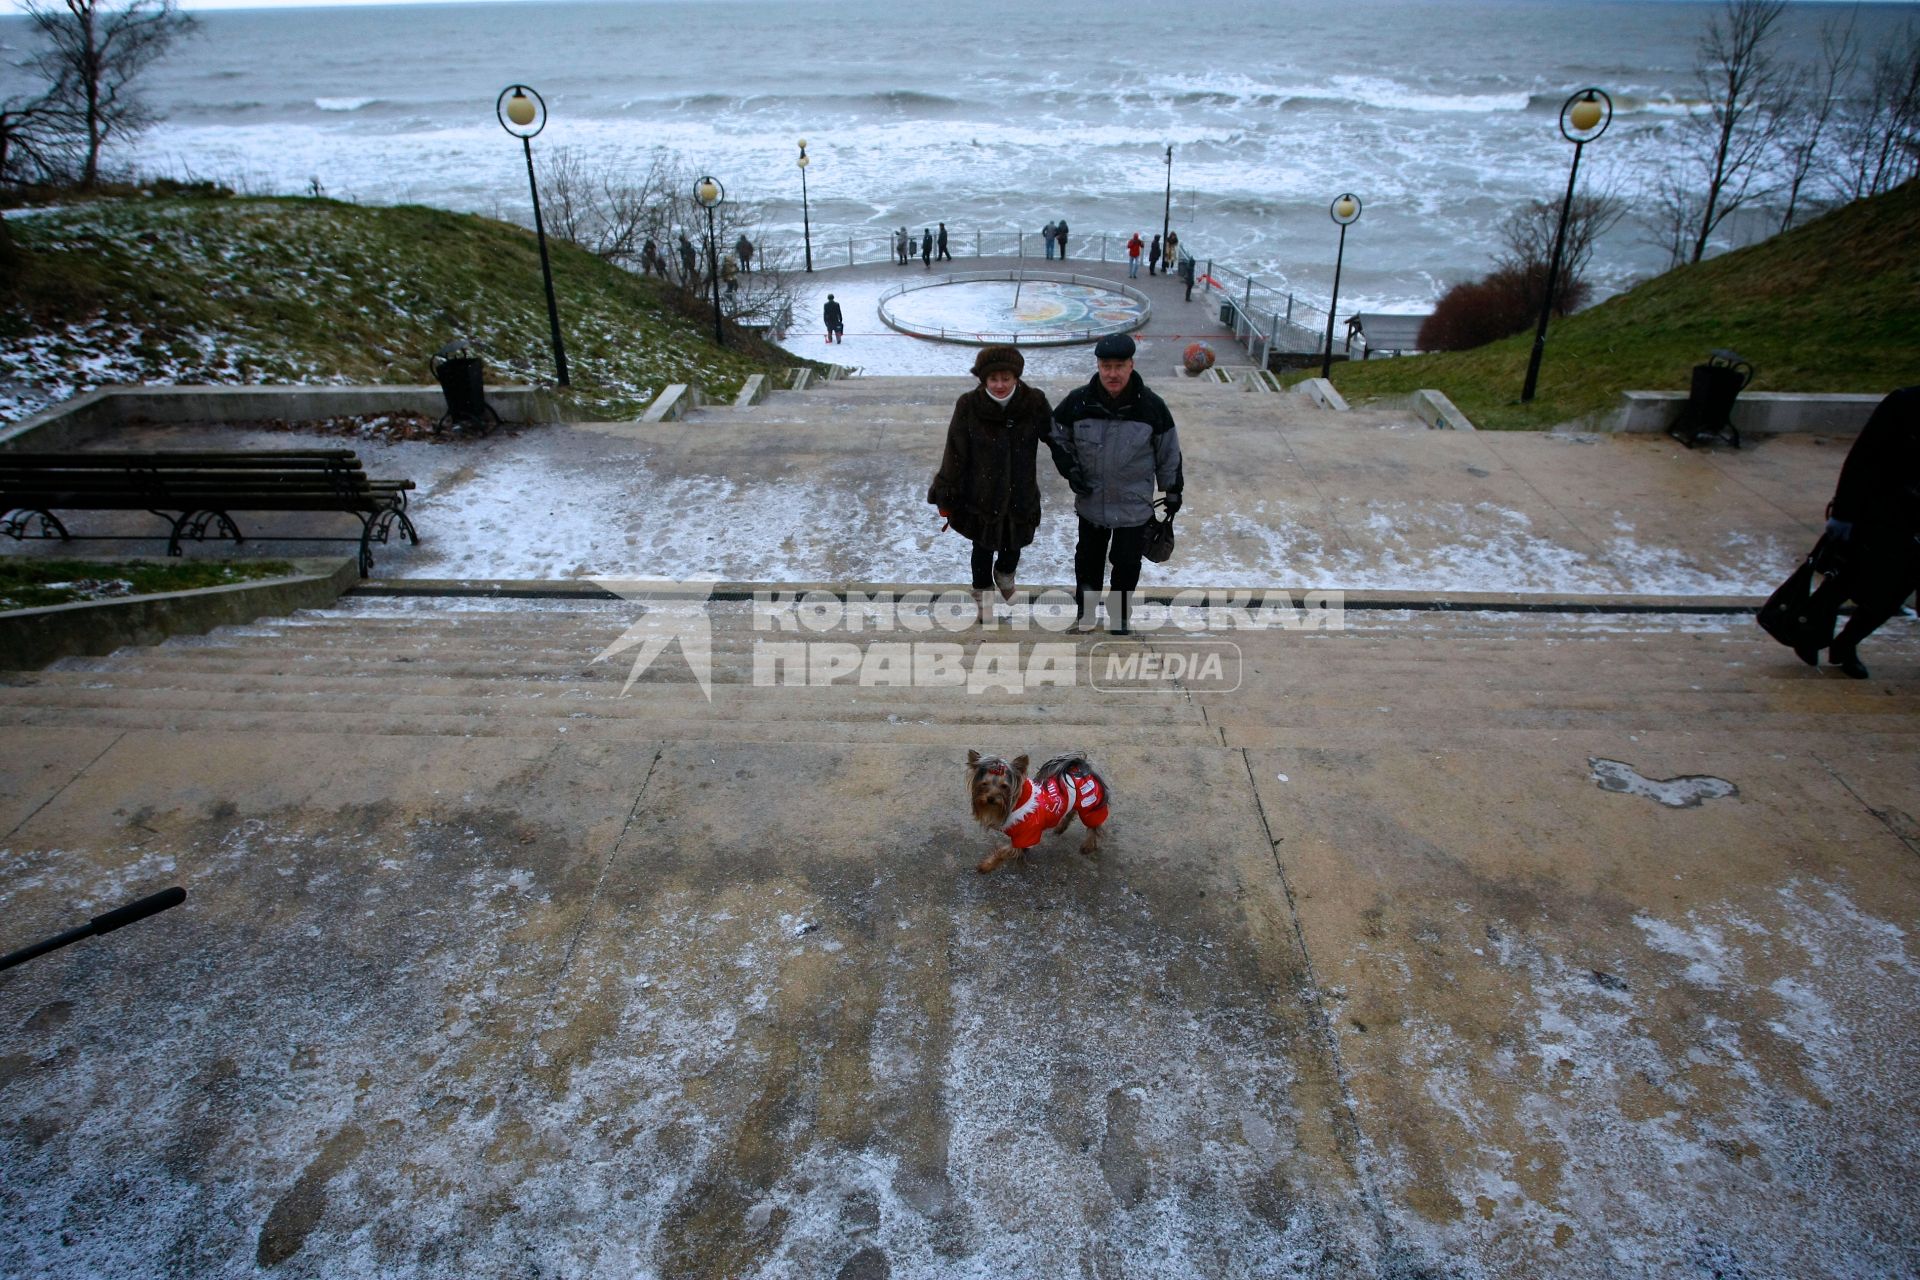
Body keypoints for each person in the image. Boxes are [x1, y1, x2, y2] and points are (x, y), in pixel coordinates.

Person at [1048, 332, 1184, 635]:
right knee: (1088, 563)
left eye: (1119, 366)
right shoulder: (1078, 401)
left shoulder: (1152, 407)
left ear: (1131, 365)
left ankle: (1120, 617)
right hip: (1092, 502)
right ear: (1098, 365)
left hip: (1133, 506)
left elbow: (1168, 450)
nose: (1112, 373)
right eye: (1106, 366)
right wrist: (1070, 468)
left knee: (1126, 564)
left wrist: (1172, 489)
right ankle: (1085, 617)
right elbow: (1055, 434)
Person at [1794, 386, 1919, 679]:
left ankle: (1846, 644)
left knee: (1893, 593)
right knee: (1848, 579)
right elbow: (1864, 457)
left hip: (1915, 522)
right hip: (1882, 513)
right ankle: (1808, 631)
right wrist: (1843, 514)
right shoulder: (1906, 403)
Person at [927, 345, 1053, 628]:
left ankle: (1006, 575)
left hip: (1021, 493)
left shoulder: (1033, 402)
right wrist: (947, 490)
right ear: (983, 380)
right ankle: (983, 600)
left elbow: (1055, 437)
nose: (999, 385)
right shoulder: (968, 405)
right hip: (981, 496)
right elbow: (955, 450)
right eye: (993, 379)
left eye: (1005, 378)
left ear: (1016, 378)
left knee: (1015, 544)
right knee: (982, 548)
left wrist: (1074, 464)